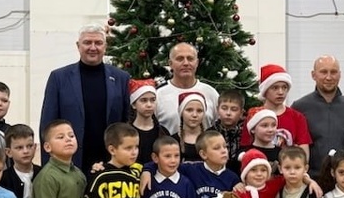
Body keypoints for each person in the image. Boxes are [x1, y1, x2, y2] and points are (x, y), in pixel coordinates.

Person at [39, 25, 132, 172]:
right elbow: (48, 125)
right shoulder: (59, 78)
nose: (93, 48)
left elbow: (126, 121)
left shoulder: (121, 78)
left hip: (111, 162)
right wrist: (48, 167)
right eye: (87, 42)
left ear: (105, 46)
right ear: (78, 46)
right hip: (71, 163)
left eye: (98, 43)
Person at [294, 56, 344, 174]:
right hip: (310, 179)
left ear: (340, 75)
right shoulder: (299, 107)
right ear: (313, 75)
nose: (329, 77)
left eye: (333, 72)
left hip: (343, 179)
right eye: (323, 72)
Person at [240, 64, 311, 155]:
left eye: (284, 87)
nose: (281, 92)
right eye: (275, 88)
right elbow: (245, 149)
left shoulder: (297, 117)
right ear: (265, 90)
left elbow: (303, 154)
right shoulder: (254, 116)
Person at [155, 42, 220, 134]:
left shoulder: (211, 93)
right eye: (180, 59)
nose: (186, 63)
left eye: (190, 59)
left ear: (197, 63)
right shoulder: (159, 95)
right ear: (170, 64)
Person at [128, 79, 162, 164]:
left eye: (153, 100)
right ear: (134, 104)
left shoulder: (162, 132)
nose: (149, 105)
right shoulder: (125, 132)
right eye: (143, 100)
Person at [240, 107, 283, 173]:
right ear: (253, 129)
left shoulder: (282, 153)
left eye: (273, 125)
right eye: (265, 125)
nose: (270, 130)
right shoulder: (244, 153)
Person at [210, 89, 246, 165]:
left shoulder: (245, 134)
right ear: (217, 110)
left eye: (234, 109)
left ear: (241, 113)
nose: (228, 113)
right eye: (224, 108)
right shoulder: (210, 134)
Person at [176, 91, 209, 163]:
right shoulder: (173, 141)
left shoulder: (211, 139)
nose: (194, 115)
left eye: (199, 111)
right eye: (189, 110)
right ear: (181, 112)